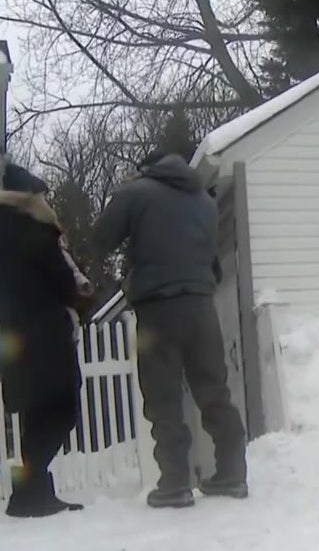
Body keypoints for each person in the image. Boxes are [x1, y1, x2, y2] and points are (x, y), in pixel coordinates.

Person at [93, 150, 247, 509]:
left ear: (145, 167)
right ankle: (232, 473)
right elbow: (211, 258)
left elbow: (102, 238)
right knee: (214, 389)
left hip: (158, 307)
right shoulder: (205, 201)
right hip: (201, 304)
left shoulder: (137, 192)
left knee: (163, 396)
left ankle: (175, 483)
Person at [0, 157, 86, 517]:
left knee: (36, 412)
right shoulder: (36, 229)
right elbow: (64, 283)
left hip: (12, 336)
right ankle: (31, 491)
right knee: (63, 410)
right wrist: (81, 296)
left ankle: (28, 494)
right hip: (46, 334)